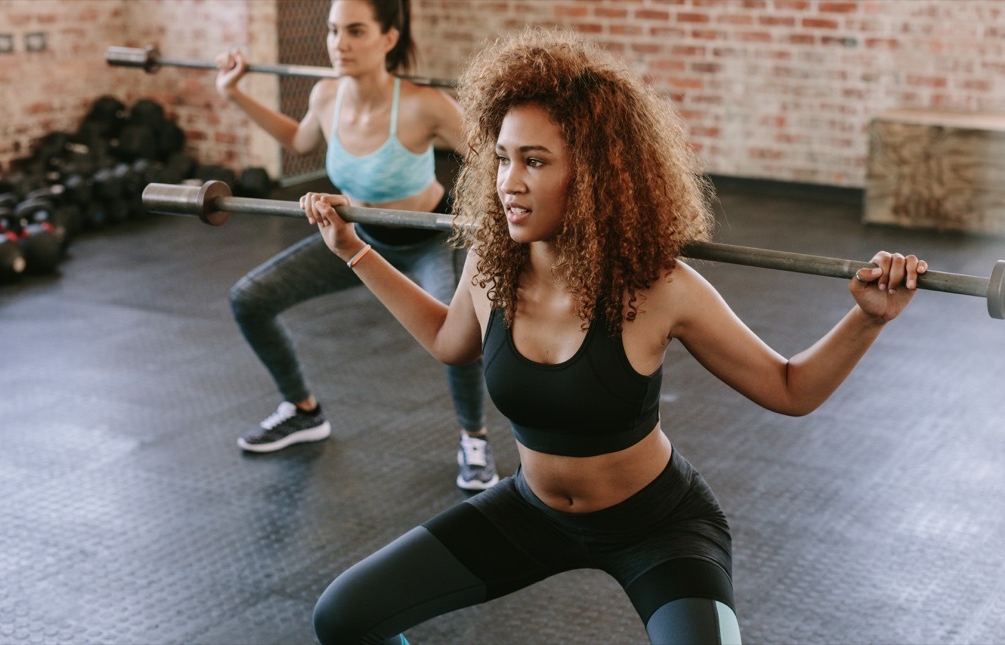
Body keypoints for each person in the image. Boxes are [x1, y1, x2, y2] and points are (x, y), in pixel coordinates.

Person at [302, 27, 929, 644]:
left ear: (597, 175)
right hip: (531, 512)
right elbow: (450, 342)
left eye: (536, 161)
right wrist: (354, 251)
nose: (508, 183)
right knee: (344, 617)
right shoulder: (491, 266)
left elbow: (790, 389)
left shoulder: (658, 288)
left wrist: (868, 317)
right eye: (502, 158)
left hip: (658, 526)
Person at [213, 0, 498, 491]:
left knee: (459, 339)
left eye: (355, 31)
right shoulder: (326, 96)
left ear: (388, 38)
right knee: (250, 297)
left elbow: (495, 156)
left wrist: (492, 219)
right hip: (354, 236)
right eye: (332, 30)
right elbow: (300, 141)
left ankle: (474, 438)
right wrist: (233, 92)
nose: (338, 44)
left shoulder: (422, 103)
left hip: (428, 238)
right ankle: (303, 411)